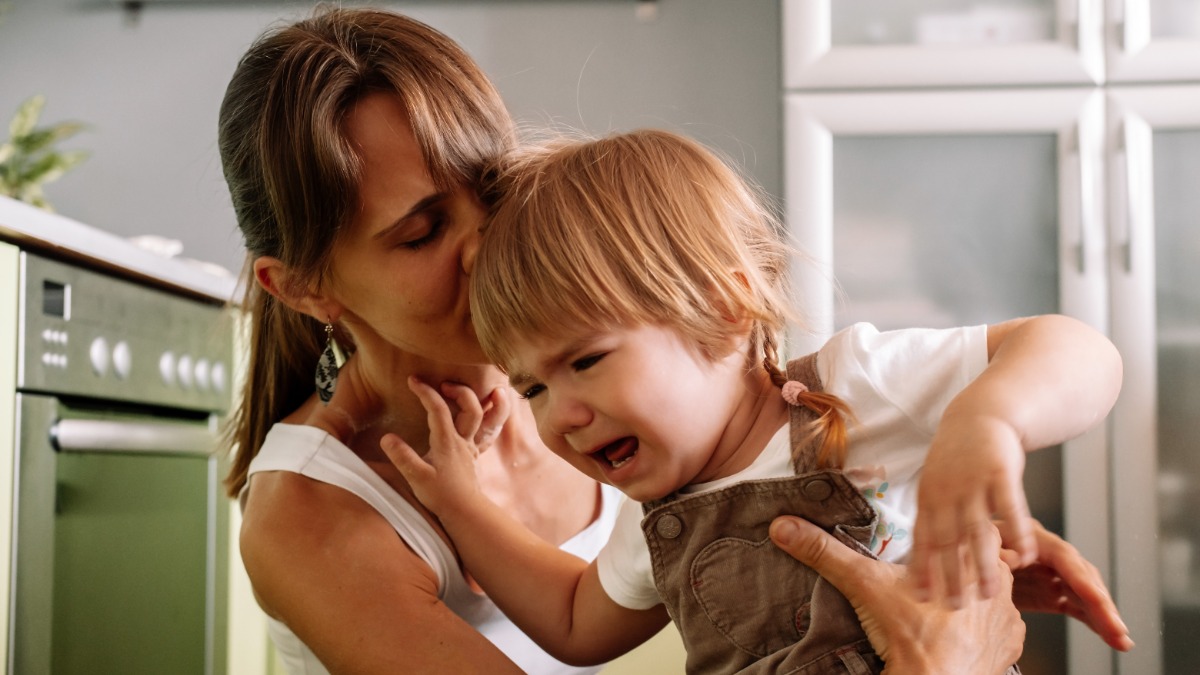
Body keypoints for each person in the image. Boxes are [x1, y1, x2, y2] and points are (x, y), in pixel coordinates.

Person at [219, 6, 1127, 674]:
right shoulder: (318, 513)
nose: (487, 242)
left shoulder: (660, 384)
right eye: (420, 233)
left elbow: (1057, 358)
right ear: (303, 287)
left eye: (487, 191)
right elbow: (578, 622)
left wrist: (947, 507)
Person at [382, 129, 1129, 672]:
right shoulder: (660, 524)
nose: (561, 414)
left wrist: (988, 417)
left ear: (725, 308)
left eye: (587, 360)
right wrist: (460, 503)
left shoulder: (852, 385)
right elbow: (576, 623)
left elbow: (1081, 351)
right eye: (533, 387)